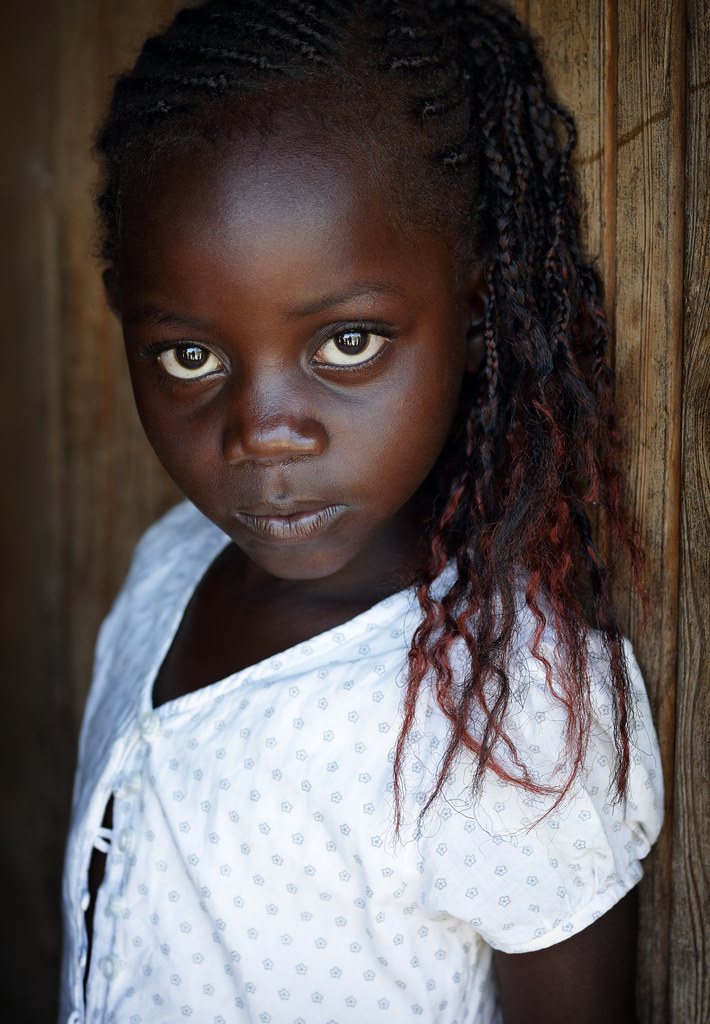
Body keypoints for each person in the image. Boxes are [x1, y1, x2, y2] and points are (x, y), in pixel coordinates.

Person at [59, 1, 664, 1021]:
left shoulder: (510, 702)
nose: (262, 431)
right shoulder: (167, 565)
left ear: (478, 310)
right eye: (190, 355)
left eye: (346, 343)